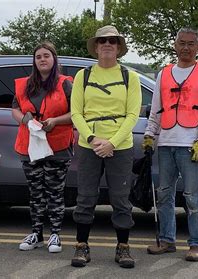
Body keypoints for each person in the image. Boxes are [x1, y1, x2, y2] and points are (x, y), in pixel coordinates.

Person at [70, 25, 142, 269]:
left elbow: (132, 115)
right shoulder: (84, 75)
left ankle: (123, 248)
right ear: (97, 47)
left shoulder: (129, 77)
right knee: (86, 197)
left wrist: (111, 143)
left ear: (119, 47)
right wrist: (92, 140)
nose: (108, 44)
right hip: (89, 145)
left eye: (113, 40)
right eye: (103, 41)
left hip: (119, 146)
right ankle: (81, 246)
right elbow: (76, 113)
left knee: (121, 198)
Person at [143, 27, 198, 262]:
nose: (186, 48)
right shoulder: (163, 74)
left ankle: (196, 243)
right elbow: (156, 108)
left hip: (190, 145)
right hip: (165, 143)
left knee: (193, 197)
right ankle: (167, 239)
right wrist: (149, 135)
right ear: (175, 45)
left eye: (191, 44)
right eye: (182, 43)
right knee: (164, 194)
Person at [11, 42, 74, 253]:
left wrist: (55, 121)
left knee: (55, 192)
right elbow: (15, 109)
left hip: (57, 147)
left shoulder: (65, 84)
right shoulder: (25, 85)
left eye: (46, 55)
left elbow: (76, 114)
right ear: (34, 61)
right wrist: (24, 121)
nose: (42, 59)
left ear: (54, 59)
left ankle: (55, 233)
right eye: (38, 56)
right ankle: (36, 233)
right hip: (30, 146)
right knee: (35, 192)